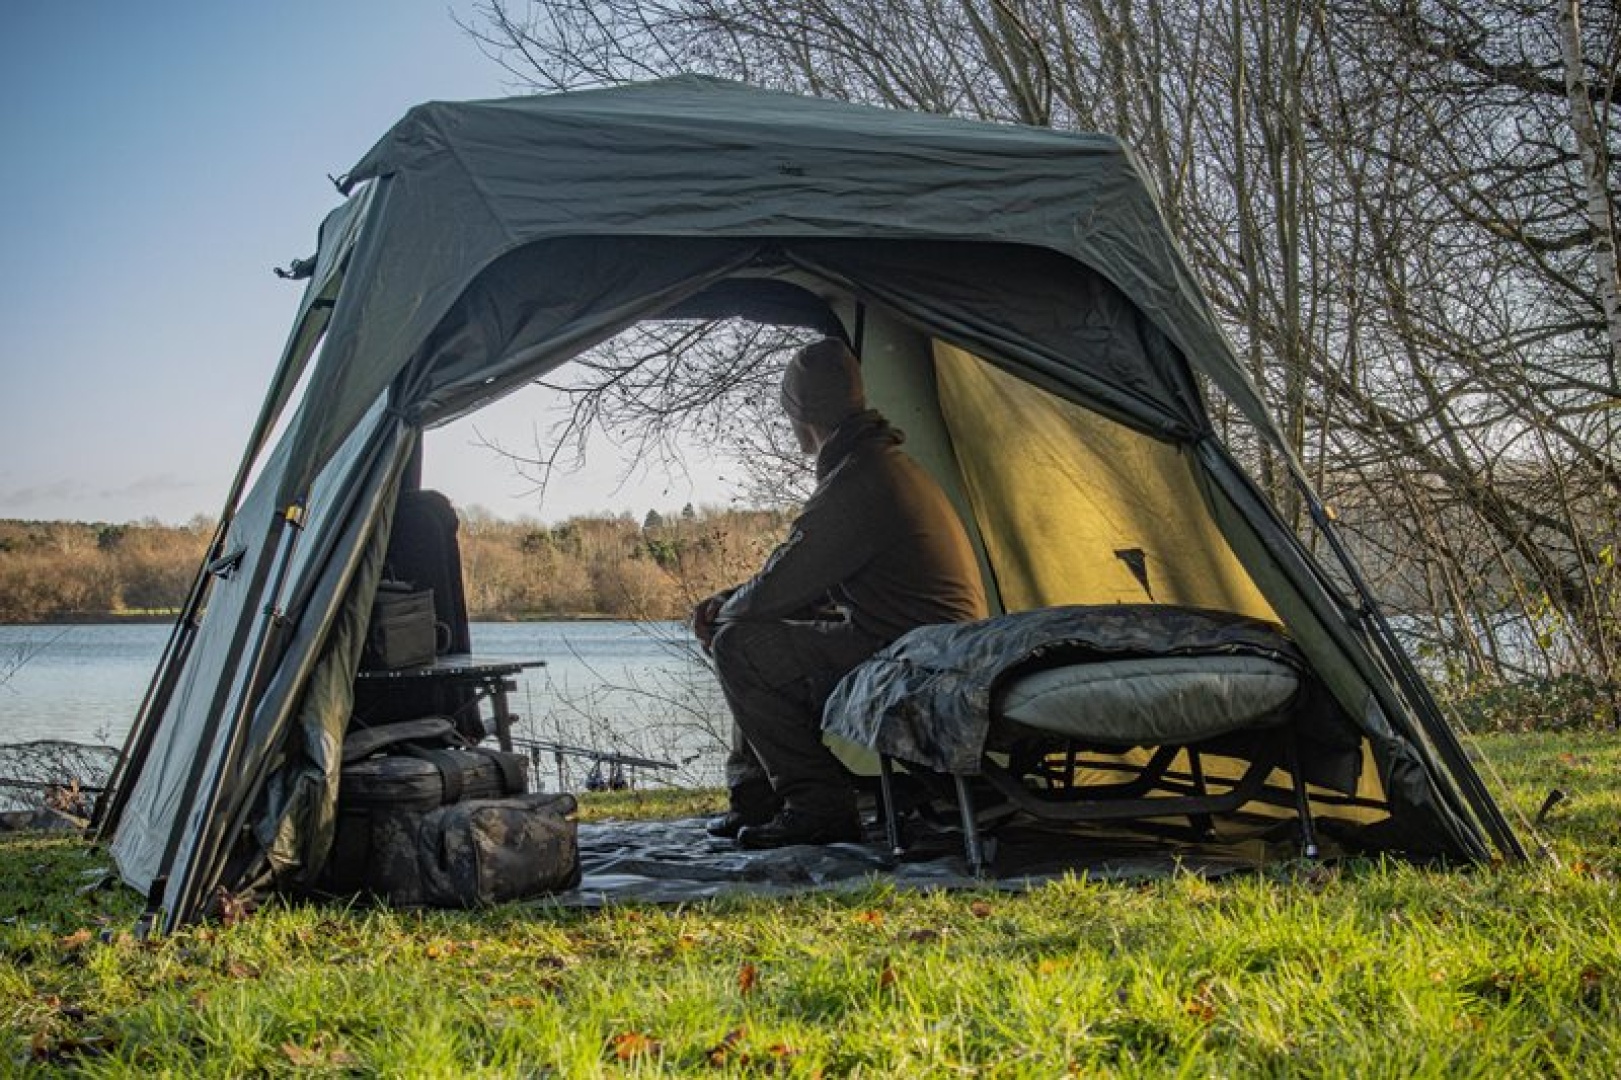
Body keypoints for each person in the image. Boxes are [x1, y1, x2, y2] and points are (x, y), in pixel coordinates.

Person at [693, 338, 989, 849]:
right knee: (750, 635)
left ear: (799, 413)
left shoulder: (858, 480)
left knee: (740, 644)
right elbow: (800, 585)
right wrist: (732, 605)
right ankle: (757, 799)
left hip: (919, 655)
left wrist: (722, 611)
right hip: (924, 643)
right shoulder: (880, 464)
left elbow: (776, 589)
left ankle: (817, 807)